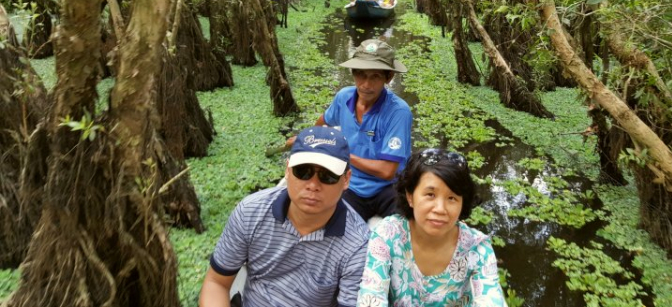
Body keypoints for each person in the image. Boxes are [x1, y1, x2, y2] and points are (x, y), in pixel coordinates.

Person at [199, 126, 370, 307]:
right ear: (287, 170)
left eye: (327, 176)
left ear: (346, 180)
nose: (313, 185)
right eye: (303, 171)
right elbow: (216, 283)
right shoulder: (250, 212)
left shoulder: (358, 244)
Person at [356, 148, 508, 306]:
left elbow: (491, 298)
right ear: (410, 196)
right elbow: (371, 296)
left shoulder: (477, 249)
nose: (440, 209)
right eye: (430, 195)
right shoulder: (387, 235)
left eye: (452, 198)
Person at [289, 39, 412, 222]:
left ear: (389, 77)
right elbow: (323, 123)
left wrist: (342, 154)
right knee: (327, 223)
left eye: (375, 76)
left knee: (408, 228)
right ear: (353, 73)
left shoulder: (398, 111)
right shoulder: (343, 97)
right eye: (360, 74)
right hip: (351, 184)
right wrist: (308, 139)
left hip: (389, 187)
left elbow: (388, 171)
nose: (366, 84)